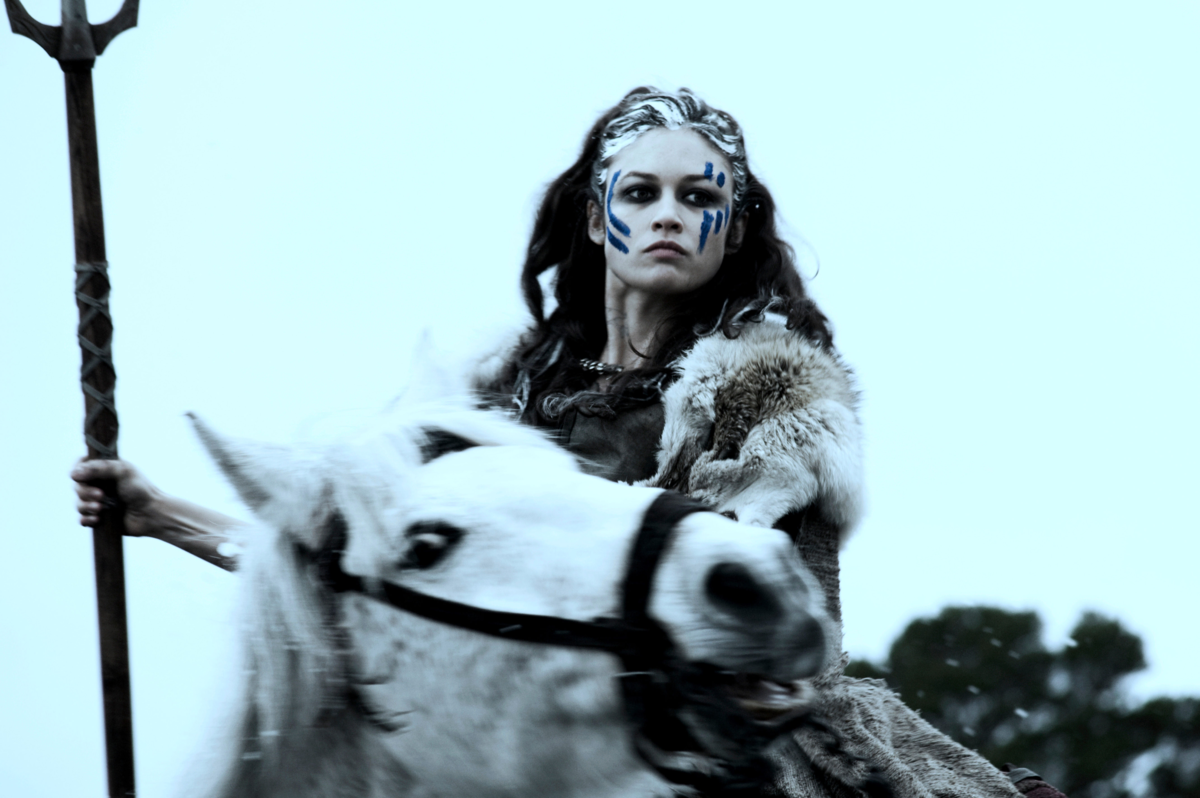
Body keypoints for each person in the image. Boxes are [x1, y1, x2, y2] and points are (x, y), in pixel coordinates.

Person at [74, 88, 1060, 798]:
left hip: (720, 740)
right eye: (640, 194)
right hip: (522, 720)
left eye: (698, 197)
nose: (668, 214)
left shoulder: (775, 389)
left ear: (731, 228)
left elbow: (750, 611)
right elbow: (376, 572)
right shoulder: (493, 393)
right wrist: (159, 516)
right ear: (595, 217)